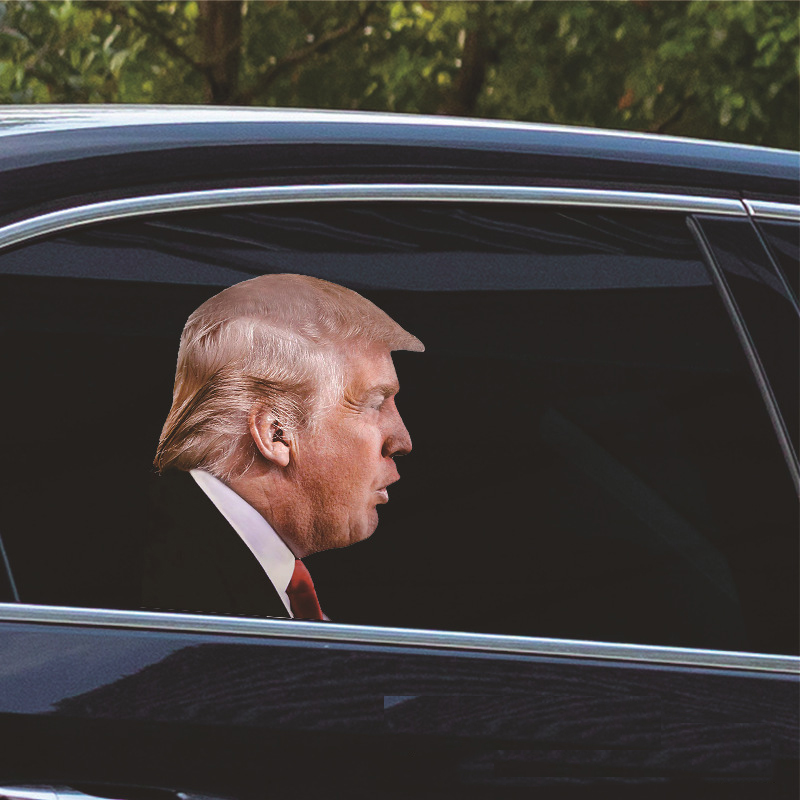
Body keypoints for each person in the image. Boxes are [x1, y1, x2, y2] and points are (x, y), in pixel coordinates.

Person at [143, 273, 423, 620]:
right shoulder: (174, 588)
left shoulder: (188, 557)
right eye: (375, 402)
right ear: (276, 433)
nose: (402, 441)